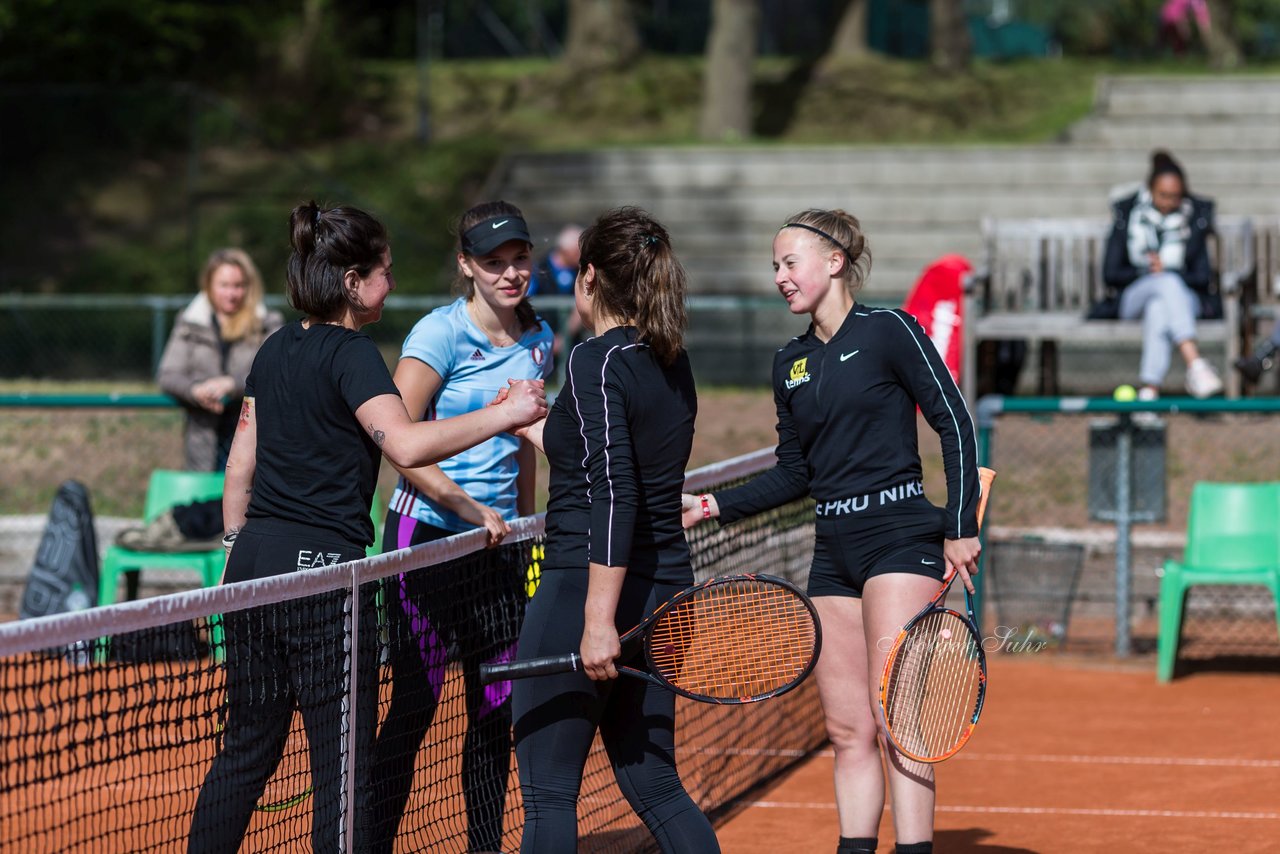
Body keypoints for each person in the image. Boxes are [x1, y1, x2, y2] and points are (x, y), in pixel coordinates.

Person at [186, 202, 546, 854]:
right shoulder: (355, 354)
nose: (393, 284)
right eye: (384, 272)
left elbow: (240, 465)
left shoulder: (272, 349)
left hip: (251, 575)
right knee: (342, 770)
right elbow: (405, 446)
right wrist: (507, 414)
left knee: (245, 751)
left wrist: (242, 549)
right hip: (326, 584)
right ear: (353, 281)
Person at [681, 209, 983, 854]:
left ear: (834, 261)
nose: (780, 277)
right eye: (775, 267)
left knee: (898, 721)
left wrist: (958, 527)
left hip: (901, 539)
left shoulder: (890, 330)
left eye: (790, 263)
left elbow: (954, 423)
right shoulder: (788, 361)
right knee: (848, 732)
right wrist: (710, 506)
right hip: (832, 550)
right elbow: (795, 473)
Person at [509, 207, 719, 853]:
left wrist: (598, 620)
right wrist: (528, 425)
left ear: (590, 276)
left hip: (588, 584)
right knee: (654, 782)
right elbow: (603, 462)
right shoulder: (669, 359)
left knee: (548, 794)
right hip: (665, 591)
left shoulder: (596, 360)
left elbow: (613, 492)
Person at [368, 201, 554, 853]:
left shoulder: (539, 339)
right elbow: (399, 444)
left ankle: (484, 846)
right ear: (466, 266)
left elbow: (523, 445)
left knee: (494, 711)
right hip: (424, 545)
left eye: (519, 259)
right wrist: (470, 509)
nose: (510, 274)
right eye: (494, 262)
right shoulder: (437, 336)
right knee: (415, 709)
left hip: (499, 550)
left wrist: (525, 525)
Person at [1102, 150, 1224, 400]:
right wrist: (1145, 271)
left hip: (1184, 299)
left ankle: (1149, 391)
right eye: (1163, 195)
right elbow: (1110, 273)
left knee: (1160, 305)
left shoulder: (1193, 220)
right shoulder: (1128, 216)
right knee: (1163, 283)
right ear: (1150, 190)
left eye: (1175, 196)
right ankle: (1195, 364)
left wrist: (1170, 271)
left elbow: (1203, 277)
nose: (1169, 202)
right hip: (1134, 296)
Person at [158, 248, 284, 472]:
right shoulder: (188, 322)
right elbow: (167, 374)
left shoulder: (269, 323)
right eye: (224, 285)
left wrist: (232, 384)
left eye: (238, 285)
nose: (232, 294)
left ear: (250, 286)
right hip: (202, 442)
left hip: (255, 441)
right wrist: (194, 390)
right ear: (208, 286)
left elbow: (278, 371)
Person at [528, 224, 585, 384]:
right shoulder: (539, 270)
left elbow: (582, 306)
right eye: (578, 251)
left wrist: (563, 337)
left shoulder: (582, 273)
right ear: (566, 250)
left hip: (571, 343)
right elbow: (525, 305)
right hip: (539, 341)